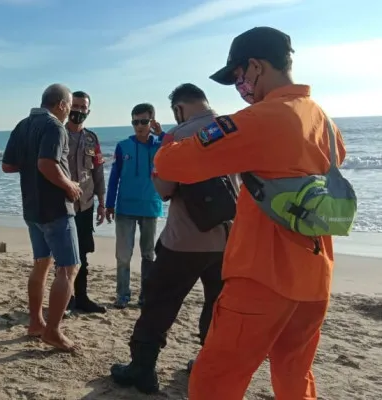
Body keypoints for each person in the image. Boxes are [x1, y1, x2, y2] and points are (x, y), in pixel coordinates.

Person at [152, 27, 347, 399]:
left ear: (255, 67)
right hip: (315, 275)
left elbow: (175, 164)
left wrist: (168, 142)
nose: (238, 87)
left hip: (263, 275)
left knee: (214, 381)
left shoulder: (262, 117)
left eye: (237, 76)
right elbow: (340, 154)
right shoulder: (321, 117)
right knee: (294, 377)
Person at [109, 83, 234, 393]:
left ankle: (143, 369)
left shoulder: (179, 136)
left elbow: (164, 189)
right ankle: (208, 363)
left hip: (186, 240)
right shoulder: (232, 127)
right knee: (217, 304)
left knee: (159, 302)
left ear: (179, 108)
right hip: (229, 237)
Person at [1, 83, 82, 352]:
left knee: (42, 264)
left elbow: (8, 165)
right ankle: (53, 331)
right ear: (61, 104)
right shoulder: (54, 126)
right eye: (69, 106)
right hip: (55, 208)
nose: (69, 112)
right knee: (69, 268)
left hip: (31, 207)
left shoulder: (23, 125)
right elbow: (46, 164)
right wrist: (69, 185)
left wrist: (34, 171)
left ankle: (36, 322)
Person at [105, 103, 165, 309]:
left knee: (148, 254)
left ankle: (145, 296)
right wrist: (109, 204)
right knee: (123, 255)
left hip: (150, 206)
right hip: (125, 207)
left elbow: (179, 149)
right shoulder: (123, 146)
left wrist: (162, 134)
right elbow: (114, 177)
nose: (139, 126)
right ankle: (123, 294)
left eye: (144, 121)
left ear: (152, 121)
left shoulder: (161, 144)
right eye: (135, 122)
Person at [64, 90, 107, 314]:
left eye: (83, 107)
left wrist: (102, 201)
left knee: (83, 253)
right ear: (68, 106)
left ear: (88, 111)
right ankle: (66, 298)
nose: (79, 111)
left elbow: (98, 171)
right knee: (65, 255)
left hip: (86, 204)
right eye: (76, 106)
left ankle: (81, 298)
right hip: (63, 205)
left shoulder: (92, 138)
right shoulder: (58, 135)